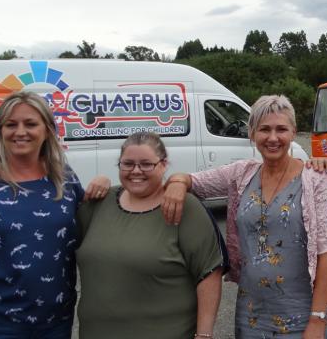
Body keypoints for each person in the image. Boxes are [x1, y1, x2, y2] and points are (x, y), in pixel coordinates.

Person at [0, 91, 109, 338]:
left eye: (31, 124)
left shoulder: (65, 182)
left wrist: (104, 183)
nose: (20, 132)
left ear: (47, 130)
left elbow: (92, 226)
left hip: (55, 323)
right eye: (11, 124)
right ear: (0, 133)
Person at [163, 95, 327, 338]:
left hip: (301, 314)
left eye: (281, 129)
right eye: (264, 129)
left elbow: (326, 253)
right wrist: (178, 182)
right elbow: (194, 181)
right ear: (252, 134)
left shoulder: (315, 179)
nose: (273, 138)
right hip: (251, 314)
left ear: (294, 132)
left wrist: (318, 319)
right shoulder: (241, 173)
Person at [76, 131, 224, 339]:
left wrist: (204, 334)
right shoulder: (98, 203)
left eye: (146, 164)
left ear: (163, 165)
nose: (136, 171)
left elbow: (209, 273)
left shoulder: (184, 207)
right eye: (127, 164)